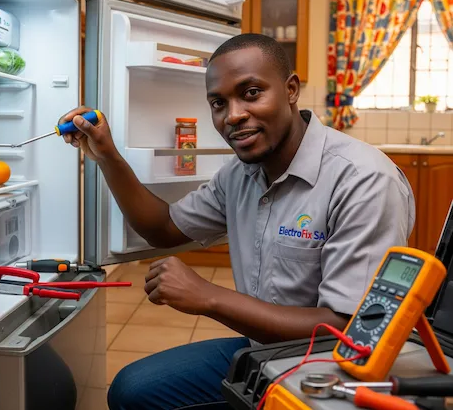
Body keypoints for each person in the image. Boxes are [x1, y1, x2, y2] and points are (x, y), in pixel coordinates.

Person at [60, 34, 415, 410]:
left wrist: (209, 297)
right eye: (218, 103)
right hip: (265, 354)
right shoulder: (240, 176)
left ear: (291, 89)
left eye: (250, 93)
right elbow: (163, 227)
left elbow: (349, 331)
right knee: (133, 389)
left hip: (334, 372)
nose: (232, 116)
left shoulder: (363, 180)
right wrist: (107, 155)